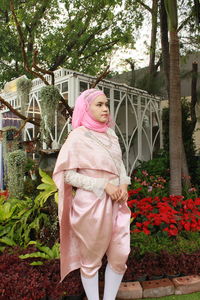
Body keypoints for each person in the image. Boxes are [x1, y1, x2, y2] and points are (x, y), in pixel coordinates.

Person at [53, 88, 131, 300]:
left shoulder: (111, 133)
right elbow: (68, 175)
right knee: (91, 260)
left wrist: (123, 184)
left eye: (106, 104)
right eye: (99, 105)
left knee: (120, 255)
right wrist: (103, 185)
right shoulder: (78, 136)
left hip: (118, 202)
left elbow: (120, 165)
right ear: (85, 108)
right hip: (91, 205)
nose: (105, 108)